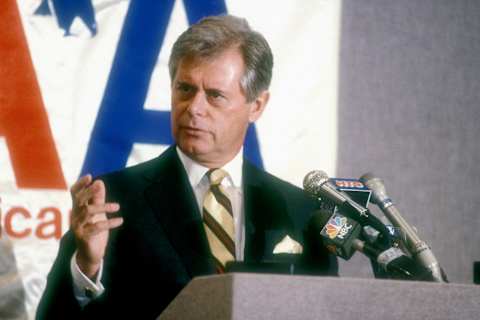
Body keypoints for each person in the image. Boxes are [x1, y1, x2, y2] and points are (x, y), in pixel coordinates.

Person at [36, 15, 338, 319]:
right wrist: (86, 267)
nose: (194, 108)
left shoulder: (298, 211)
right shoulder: (113, 199)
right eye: (185, 89)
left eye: (215, 95)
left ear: (256, 105)